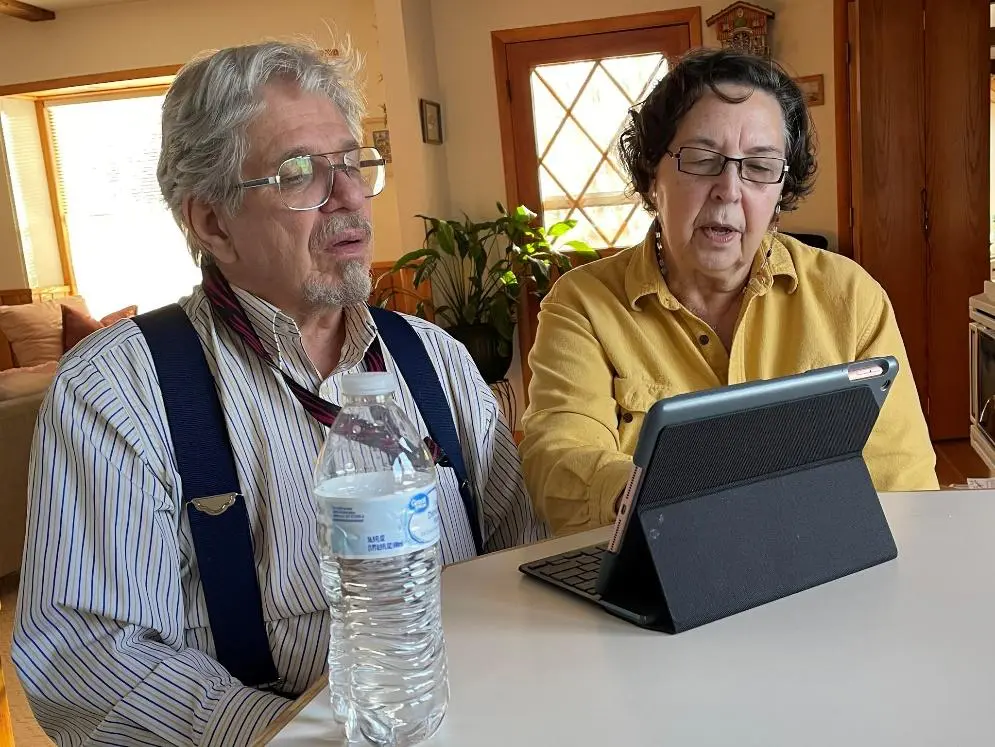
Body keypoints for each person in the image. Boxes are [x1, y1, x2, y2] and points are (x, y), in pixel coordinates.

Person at [13, 39, 547, 746]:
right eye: (300, 172)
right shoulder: (117, 391)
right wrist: (297, 734)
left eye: (353, 164)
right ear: (210, 221)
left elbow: (522, 553)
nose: (351, 197)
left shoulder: (435, 360)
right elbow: (86, 661)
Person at [519, 48, 938, 537]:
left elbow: (903, 487)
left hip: (821, 573)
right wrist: (653, 496)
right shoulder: (583, 305)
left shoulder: (850, 298)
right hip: (657, 568)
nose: (729, 189)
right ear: (654, 175)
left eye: (759, 167)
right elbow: (557, 457)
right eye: (701, 160)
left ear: (780, 192)